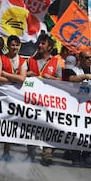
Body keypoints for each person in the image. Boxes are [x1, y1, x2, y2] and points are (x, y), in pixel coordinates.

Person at [26, 33, 63, 166]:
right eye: (39, 43)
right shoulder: (31, 60)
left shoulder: (56, 62)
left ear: (50, 47)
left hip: (49, 102)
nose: (40, 45)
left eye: (43, 43)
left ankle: (47, 153)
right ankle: (31, 152)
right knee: (32, 126)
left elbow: (61, 80)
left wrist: (51, 78)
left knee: (48, 126)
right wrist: (27, 74)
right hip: (33, 100)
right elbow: (21, 75)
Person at [64, 49, 91, 167]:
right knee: (77, 131)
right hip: (78, 104)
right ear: (80, 59)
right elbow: (71, 79)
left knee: (90, 131)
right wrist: (85, 76)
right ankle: (75, 156)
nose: (90, 60)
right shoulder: (74, 69)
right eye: (87, 58)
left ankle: (86, 155)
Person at [0, 35, 27, 161]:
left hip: (14, 98)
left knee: (10, 124)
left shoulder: (22, 61)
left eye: (17, 45)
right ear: (8, 46)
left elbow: (22, 79)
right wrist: (14, 79)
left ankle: (7, 151)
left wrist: (6, 74)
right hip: (0, 95)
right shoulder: (1, 58)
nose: (15, 48)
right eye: (12, 45)